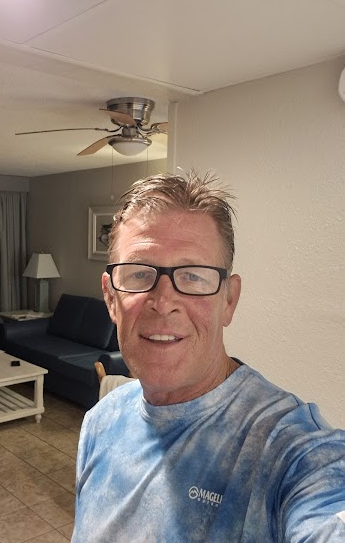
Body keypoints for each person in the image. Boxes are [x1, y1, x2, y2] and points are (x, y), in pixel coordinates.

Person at [72, 172, 345, 542]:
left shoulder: (288, 450)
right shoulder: (100, 421)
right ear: (110, 298)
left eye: (193, 276)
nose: (163, 302)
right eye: (139, 274)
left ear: (228, 300)